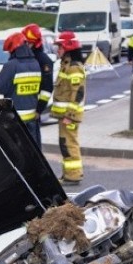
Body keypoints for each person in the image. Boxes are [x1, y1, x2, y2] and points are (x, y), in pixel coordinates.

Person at [0, 32, 43, 146]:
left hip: (16, 118)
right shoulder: (35, 63)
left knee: (18, 152)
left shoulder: (11, 65)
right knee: (32, 149)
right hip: (31, 117)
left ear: (13, 48)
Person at [50, 31, 86, 185]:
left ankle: (73, 175)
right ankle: (68, 174)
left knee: (69, 143)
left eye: (59, 47)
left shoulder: (74, 67)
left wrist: (69, 115)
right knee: (65, 143)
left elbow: (77, 93)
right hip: (64, 115)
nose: (58, 50)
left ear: (68, 47)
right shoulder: (66, 65)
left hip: (69, 116)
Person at [22, 23, 55, 121]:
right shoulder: (24, 58)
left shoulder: (43, 61)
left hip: (34, 109)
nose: (26, 46)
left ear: (35, 43)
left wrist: (39, 110)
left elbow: (47, 89)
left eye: (29, 43)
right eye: (25, 43)